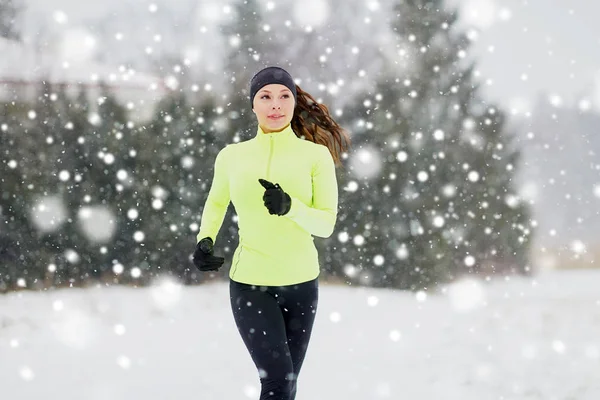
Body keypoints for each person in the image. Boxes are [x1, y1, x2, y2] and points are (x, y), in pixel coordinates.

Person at [192, 66, 351, 400]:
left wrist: (290, 206)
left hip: (302, 286)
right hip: (251, 285)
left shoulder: (315, 156)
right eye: (265, 96)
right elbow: (217, 201)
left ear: (294, 103)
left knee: (287, 383)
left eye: (283, 96)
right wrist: (204, 239)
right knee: (277, 381)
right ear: (253, 105)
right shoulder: (232, 156)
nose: (275, 105)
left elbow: (326, 223)